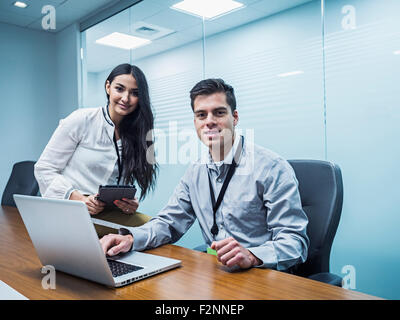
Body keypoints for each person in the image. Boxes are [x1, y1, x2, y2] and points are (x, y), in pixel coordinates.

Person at [100, 78, 309, 271]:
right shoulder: (196, 171)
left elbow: (294, 242)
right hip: (220, 275)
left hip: (263, 276)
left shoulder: (271, 167)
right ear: (195, 122)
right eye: (201, 115)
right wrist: (130, 238)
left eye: (219, 113)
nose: (209, 121)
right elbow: (168, 222)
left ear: (234, 117)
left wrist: (253, 255)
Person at [34, 63, 158, 235]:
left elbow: (116, 183)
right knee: (147, 232)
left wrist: (128, 204)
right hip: (69, 210)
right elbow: (43, 169)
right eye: (119, 89)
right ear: (108, 87)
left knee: (155, 229)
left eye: (134, 93)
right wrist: (79, 198)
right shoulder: (82, 119)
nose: (126, 98)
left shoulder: (135, 134)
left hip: (104, 212)